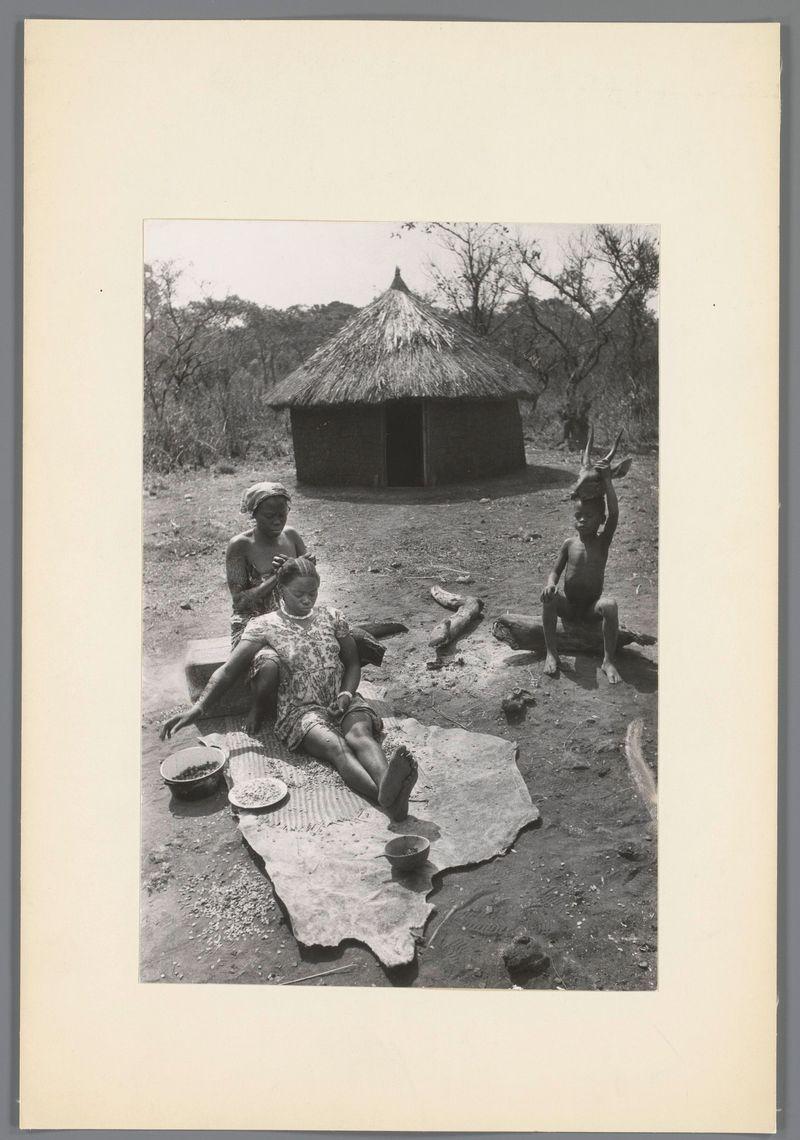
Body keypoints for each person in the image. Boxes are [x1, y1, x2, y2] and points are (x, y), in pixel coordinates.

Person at [160, 557, 418, 822]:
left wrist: (345, 694)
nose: (307, 600)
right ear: (280, 590)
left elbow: (352, 663)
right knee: (337, 747)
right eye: (299, 594)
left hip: (341, 698)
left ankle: (389, 794)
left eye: (313, 593)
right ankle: (390, 799)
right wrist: (199, 707)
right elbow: (228, 671)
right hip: (300, 710)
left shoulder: (332, 617)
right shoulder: (264, 625)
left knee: (361, 735)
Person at [540, 462, 621, 684]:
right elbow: (555, 572)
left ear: (601, 520)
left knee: (611, 605)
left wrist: (607, 480)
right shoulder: (569, 544)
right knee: (548, 598)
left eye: (589, 516)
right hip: (569, 606)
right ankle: (551, 652)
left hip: (590, 610)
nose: (582, 520)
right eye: (578, 516)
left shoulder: (602, 542)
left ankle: (608, 660)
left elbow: (614, 512)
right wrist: (550, 584)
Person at [226, 482, 310, 648]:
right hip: (253, 622)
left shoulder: (292, 536)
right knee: (270, 662)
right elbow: (240, 602)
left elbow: (308, 588)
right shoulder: (240, 545)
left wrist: (307, 567)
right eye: (270, 516)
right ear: (254, 515)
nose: (277, 522)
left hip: (293, 615)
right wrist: (276, 577)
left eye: (282, 515)